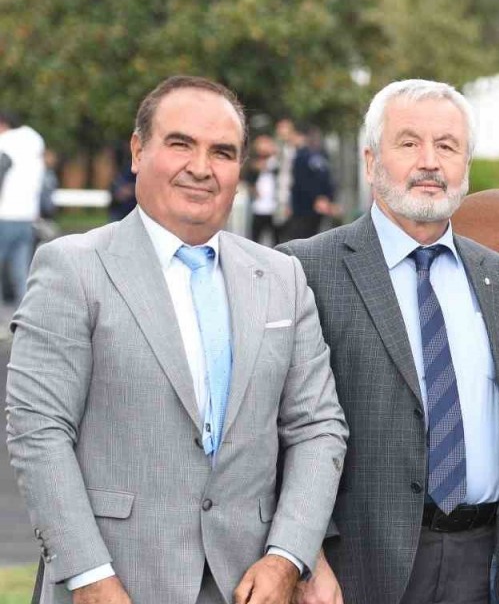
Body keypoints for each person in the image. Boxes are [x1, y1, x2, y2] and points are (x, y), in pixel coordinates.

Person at [6, 76, 348, 604]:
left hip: (250, 583)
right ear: (139, 151)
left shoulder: (282, 277)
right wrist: (90, 576)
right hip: (115, 582)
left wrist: (288, 556)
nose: (201, 167)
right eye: (181, 143)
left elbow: (318, 426)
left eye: (222, 152)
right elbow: (38, 431)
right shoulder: (72, 269)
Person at [280, 79, 499, 604]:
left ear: (466, 162)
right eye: (408, 143)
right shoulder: (305, 269)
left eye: (447, 146)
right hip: (355, 567)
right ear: (371, 160)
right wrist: (307, 558)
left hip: (484, 563)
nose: (429, 162)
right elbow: (275, 429)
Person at [0, 109, 45, 305]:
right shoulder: (35, 140)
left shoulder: (5, 142)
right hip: (27, 215)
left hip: (4, 214)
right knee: (21, 271)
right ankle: (24, 323)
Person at [280, 126, 334, 242]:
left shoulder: (301, 156)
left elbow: (302, 183)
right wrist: (326, 198)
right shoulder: (319, 154)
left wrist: (316, 199)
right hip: (316, 206)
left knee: (300, 241)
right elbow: (326, 178)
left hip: (304, 207)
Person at [244, 134, 280, 245]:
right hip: (257, 207)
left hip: (275, 207)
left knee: (276, 240)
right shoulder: (253, 163)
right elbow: (249, 178)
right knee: (255, 239)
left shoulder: (276, 162)